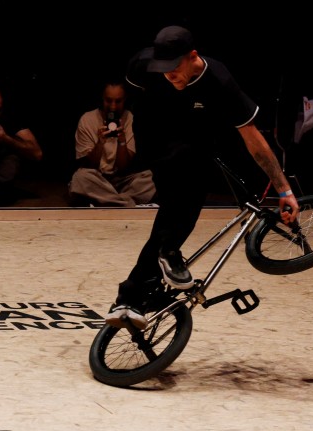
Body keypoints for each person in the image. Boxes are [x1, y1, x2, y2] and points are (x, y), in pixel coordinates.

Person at [105, 25, 299, 329]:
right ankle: (168, 255)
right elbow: (131, 92)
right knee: (180, 179)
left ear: (192, 56)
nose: (168, 74)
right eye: (162, 68)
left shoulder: (220, 80)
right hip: (156, 136)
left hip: (195, 140)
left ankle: (132, 296)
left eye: (173, 68)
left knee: (183, 207)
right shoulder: (141, 64)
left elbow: (253, 140)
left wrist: (284, 189)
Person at [68, 79, 156, 207]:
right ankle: (126, 204)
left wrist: (122, 142)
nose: (113, 106)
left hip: (121, 180)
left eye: (118, 101)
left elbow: (123, 167)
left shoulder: (130, 119)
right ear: (102, 99)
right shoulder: (87, 119)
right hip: (97, 178)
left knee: (151, 178)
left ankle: (107, 202)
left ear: (125, 99)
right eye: (108, 100)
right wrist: (100, 143)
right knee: (80, 178)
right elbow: (90, 164)